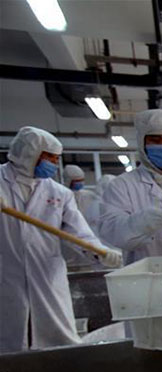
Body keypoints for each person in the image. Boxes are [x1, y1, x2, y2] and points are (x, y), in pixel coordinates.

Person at [0, 126, 121, 353]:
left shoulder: (59, 193)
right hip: (6, 276)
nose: (55, 164)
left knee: (58, 342)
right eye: (50, 158)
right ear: (29, 153)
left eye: (57, 159)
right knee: (8, 344)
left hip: (47, 275)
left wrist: (100, 252)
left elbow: (79, 233)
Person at [99, 109, 162, 265]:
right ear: (142, 143)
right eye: (156, 141)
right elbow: (112, 232)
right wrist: (144, 221)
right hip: (146, 274)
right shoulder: (122, 185)